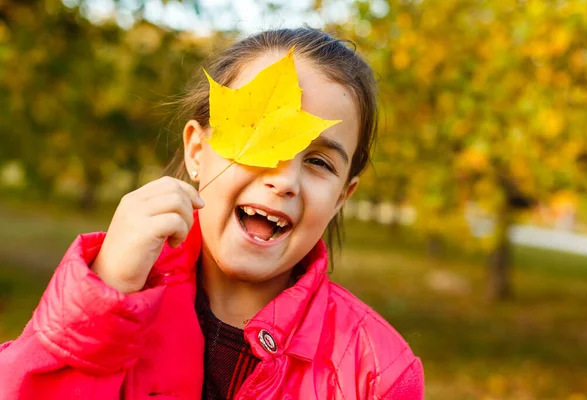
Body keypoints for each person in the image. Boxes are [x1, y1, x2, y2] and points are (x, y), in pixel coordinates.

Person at [0, 28, 424, 399]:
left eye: (319, 162)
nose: (285, 180)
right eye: (258, 137)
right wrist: (101, 299)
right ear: (197, 151)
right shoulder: (108, 302)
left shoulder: (375, 371)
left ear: (342, 198)